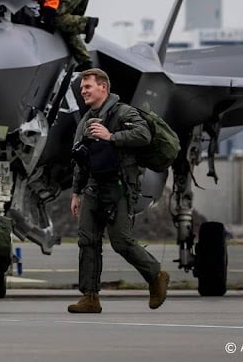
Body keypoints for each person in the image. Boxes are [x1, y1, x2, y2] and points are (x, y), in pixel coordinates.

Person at [67, 68, 169, 314]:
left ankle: (156, 275)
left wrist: (111, 136)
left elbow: (143, 134)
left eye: (88, 87)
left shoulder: (124, 112)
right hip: (92, 188)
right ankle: (90, 296)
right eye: (82, 88)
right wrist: (76, 192)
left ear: (103, 87)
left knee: (121, 241)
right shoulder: (86, 120)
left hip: (119, 186)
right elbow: (81, 158)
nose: (83, 91)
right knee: (87, 241)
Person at [1, 0, 97, 70]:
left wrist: (50, 9)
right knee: (67, 28)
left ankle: (86, 23)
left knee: (56, 19)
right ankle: (85, 63)